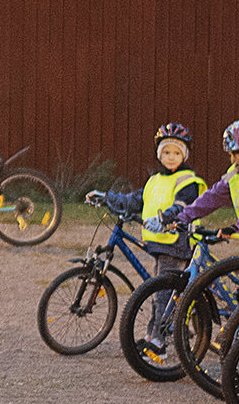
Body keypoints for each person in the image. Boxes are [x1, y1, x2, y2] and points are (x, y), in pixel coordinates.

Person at [86, 124, 207, 359]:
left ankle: (157, 340)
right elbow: (134, 200)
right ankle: (168, 328)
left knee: (161, 295)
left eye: (176, 153)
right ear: (159, 154)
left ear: (185, 155)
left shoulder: (187, 180)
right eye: (166, 152)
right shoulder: (155, 180)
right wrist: (106, 197)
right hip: (160, 244)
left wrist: (165, 218)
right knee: (162, 290)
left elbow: (183, 205)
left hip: (177, 242)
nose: (171, 157)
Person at [159, 119, 239, 258]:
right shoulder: (233, 174)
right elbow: (211, 198)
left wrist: (237, 227)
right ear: (231, 154)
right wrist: (183, 217)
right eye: (238, 152)